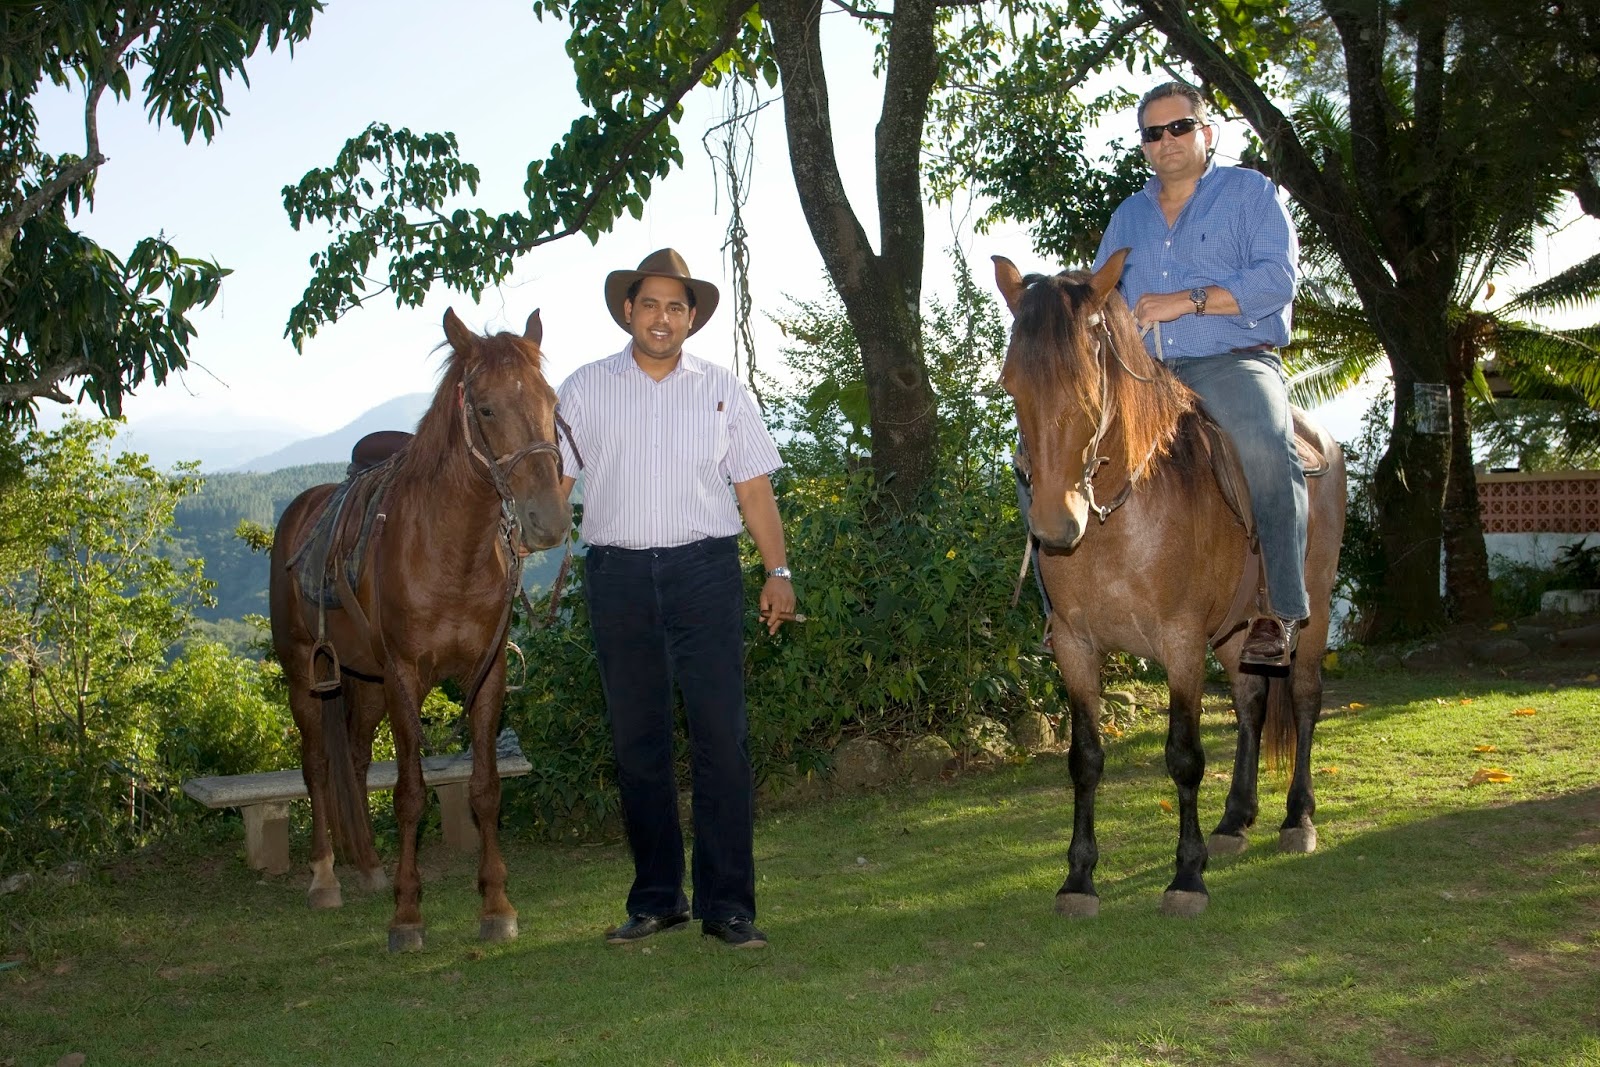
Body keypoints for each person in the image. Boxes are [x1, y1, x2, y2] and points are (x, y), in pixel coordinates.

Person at [555, 248, 796, 949]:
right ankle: (658, 897)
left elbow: (753, 489)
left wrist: (777, 570)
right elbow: (553, 490)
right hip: (618, 577)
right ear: (628, 311)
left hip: (705, 572)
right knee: (638, 744)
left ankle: (728, 905)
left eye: (676, 306)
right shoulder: (582, 390)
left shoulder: (723, 389)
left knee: (723, 738)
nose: (662, 317)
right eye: (650, 304)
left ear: (692, 317)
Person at [1092, 80, 1308, 667]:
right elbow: (1099, 298)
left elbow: (1275, 282)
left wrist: (1185, 299)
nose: (1168, 141)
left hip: (1232, 361)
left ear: (1205, 133)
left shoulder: (1249, 194)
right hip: (1145, 376)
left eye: (1179, 127)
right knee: (1042, 450)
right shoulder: (1128, 218)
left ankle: (1279, 610)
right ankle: (1061, 609)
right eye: (1153, 133)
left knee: (1266, 446)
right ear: (1144, 147)